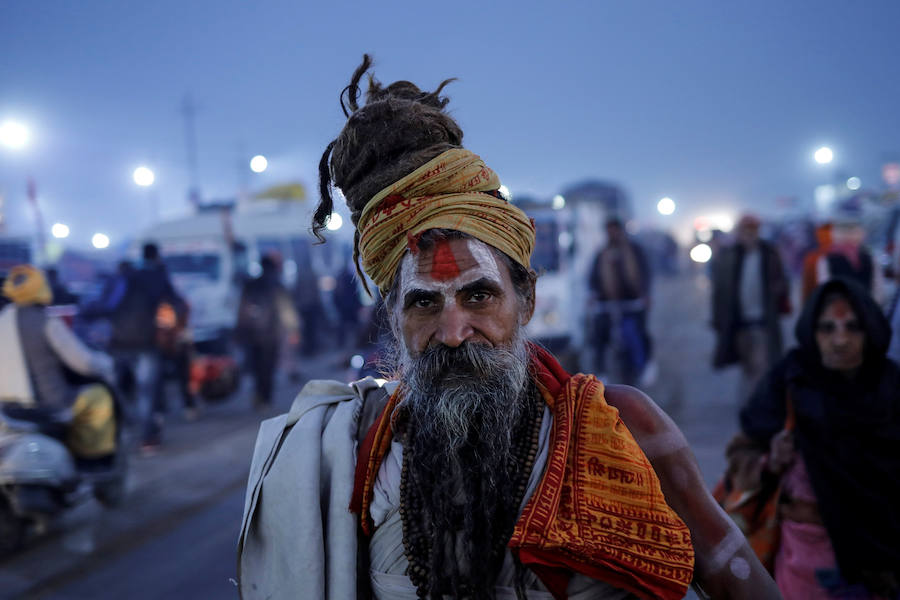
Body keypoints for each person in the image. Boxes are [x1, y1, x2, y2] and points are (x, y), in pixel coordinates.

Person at [236, 55, 780, 600]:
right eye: (424, 304)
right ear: (393, 316)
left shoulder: (626, 426)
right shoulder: (349, 453)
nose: (453, 332)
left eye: (479, 296)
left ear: (526, 301)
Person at [737, 277, 900, 598]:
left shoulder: (890, 387)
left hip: (885, 560)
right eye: (827, 329)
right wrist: (771, 460)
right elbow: (741, 457)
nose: (840, 340)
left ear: (870, 331)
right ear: (812, 333)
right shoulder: (791, 380)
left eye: (853, 327)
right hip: (809, 556)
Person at [0, 265, 117, 460]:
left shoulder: (3, 319)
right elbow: (84, 363)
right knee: (99, 396)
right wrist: (106, 364)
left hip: (6, 407)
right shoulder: (47, 321)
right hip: (49, 404)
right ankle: (92, 457)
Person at [109, 242, 185, 453]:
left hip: (118, 340)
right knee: (146, 392)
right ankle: (147, 439)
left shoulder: (126, 275)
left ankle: (115, 438)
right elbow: (176, 302)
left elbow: (107, 304)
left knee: (120, 390)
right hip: (145, 340)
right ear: (157, 255)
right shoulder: (158, 276)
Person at [711, 214, 791, 403]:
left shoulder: (769, 254)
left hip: (762, 322)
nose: (748, 235)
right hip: (739, 323)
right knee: (748, 367)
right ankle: (752, 403)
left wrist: (778, 290)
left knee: (760, 366)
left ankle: (756, 404)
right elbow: (720, 292)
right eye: (745, 231)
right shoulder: (729, 256)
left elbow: (783, 283)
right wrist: (718, 320)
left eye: (752, 230)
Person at [588, 217, 655, 386]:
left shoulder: (635, 251)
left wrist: (645, 294)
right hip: (607, 305)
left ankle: (644, 366)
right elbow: (593, 278)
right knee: (599, 336)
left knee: (636, 335)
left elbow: (645, 273)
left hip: (633, 304)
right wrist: (593, 295)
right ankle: (602, 372)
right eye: (609, 230)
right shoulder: (601, 253)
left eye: (615, 229)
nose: (613, 233)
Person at [236, 253, 299, 409]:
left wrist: (240, 329)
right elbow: (286, 310)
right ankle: (266, 397)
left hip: (253, 333)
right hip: (272, 334)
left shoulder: (251, 284)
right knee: (268, 366)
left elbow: (242, 309)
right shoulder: (277, 285)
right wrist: (293, 329)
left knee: (257, 366)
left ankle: (259, 395)